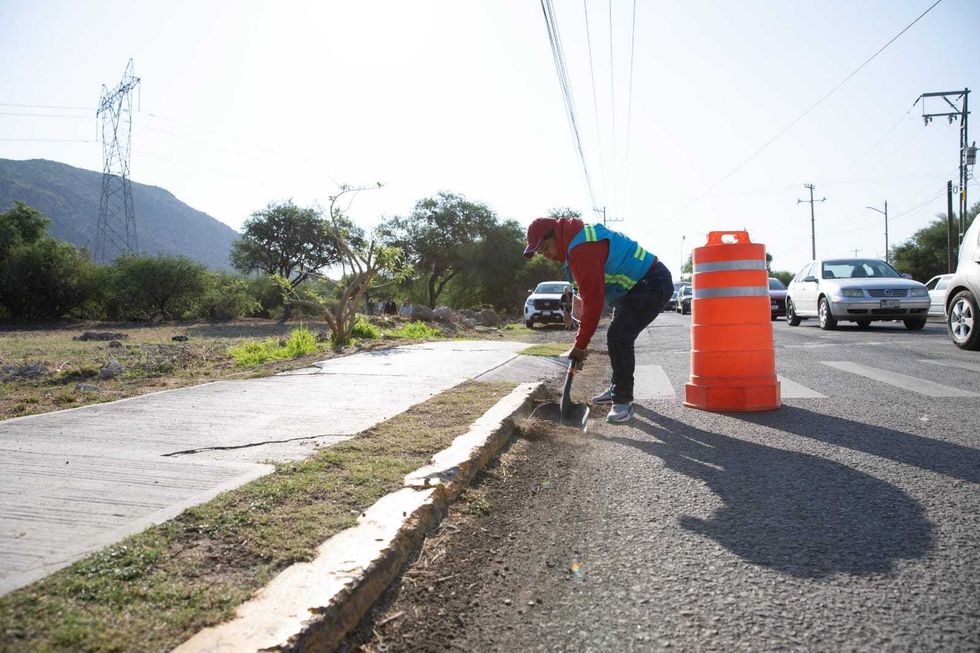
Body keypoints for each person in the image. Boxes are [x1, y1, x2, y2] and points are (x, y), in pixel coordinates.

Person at [523, 216, 673, 423]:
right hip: (634, 289)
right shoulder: (575, 244)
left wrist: (580, 345)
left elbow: (593, 303)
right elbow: (587, 297)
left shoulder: (581, 250)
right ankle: (616, 390)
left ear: (555, 236)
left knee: (619, 336)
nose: (546, 255)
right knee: (617, 336)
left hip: (651, 283)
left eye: (546, 247)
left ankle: (622, 402)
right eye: (541, 253)